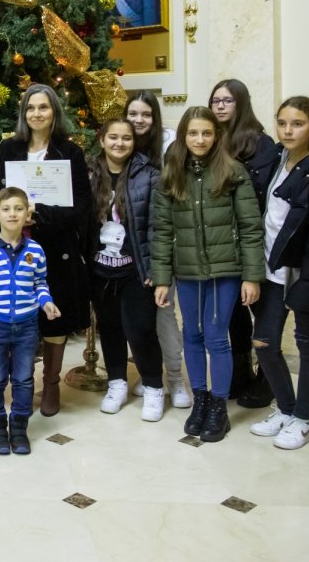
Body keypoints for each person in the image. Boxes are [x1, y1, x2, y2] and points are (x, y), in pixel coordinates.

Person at [151, 106, 264, 443]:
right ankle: (199, 398)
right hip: (187, 272)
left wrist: (252, 276)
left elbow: (250, 227)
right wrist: (161, 278)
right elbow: (161, 230)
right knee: (192, 335)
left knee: (216, 335)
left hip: (225, 271)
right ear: (184, 136)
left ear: (217, 136)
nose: (200, 139)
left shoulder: (232, 171)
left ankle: (218, 405)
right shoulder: (172, 173)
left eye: (207, 133)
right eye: (193, 133)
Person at [0, 83, 90, 417]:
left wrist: (40, 213)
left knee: (53, 319)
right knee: (15, 316)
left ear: (54, 112)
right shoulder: (9, 149)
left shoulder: (70, 153)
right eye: (31, 108)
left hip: (56, 248)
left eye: (43, 107)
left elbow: (83, 204)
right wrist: (8, 211)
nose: (37, 114)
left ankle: (52, 383)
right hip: (11, 247)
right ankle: (17, 382)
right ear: (23, 113)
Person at [248, 96, 309, 451]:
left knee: (308, 343)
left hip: (304, 272)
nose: (289, 130)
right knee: (264, 342)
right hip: (272, 268)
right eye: (283, 123)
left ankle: (302, 418)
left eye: (298, 124)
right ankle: (286, 409)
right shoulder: (277, 159)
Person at [0, 187, 59, 456]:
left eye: (18, 209)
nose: (12, 214)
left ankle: (19, 427)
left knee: (23, 378)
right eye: (6, 209)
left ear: (27, 214)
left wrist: (46, 302)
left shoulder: (36, 251)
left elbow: (40, 282)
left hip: (26, 326)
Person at [86, 118, 166, 421]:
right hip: (100, 271)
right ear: (102, 139)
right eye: (114, 138)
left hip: (136, 270)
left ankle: (153, 386)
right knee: (110, 329)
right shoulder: (89, 172)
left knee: (142, 330)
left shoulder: (149, 175)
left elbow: (159, 227)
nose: (120, 143)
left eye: (127, 138)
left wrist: (158, 270)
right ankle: (116, 382)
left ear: (135, 142)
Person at [209, 78, 281, 408]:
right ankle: (239, 376)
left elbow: (260, 198)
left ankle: (267, 381)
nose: (220, 106)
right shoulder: (210, 141)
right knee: (233, 315)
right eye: (216, 101)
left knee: (261, 315)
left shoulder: (261, 143)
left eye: (227, 101)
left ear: (241, 103)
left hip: (254, 243)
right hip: (222, 243)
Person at [124, 91, 189, 408]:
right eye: (133, 114)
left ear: (155, 117)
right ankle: (152, 375)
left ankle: (176, 380)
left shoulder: (168, 147)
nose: (138, 120)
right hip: (130, 247)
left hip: (163, 242)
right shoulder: (122, 143)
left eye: (145, 114)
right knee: (138, 319)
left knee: (163, 314)